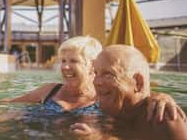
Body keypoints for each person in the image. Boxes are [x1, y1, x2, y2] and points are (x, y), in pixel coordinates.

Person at [11, 36, 183, 118]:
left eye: (73, 61)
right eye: (63, 60)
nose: (65, 66)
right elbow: (7, 107)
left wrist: (160, 96)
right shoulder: (49, 90)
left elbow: (136, 102)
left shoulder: (107, 98)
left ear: (92, 65)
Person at [71, 45, 187, 140]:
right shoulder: (111, 107)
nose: (96, 82)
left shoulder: (163, 119)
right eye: (96, 73)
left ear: (138, 82)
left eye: (108, 74)